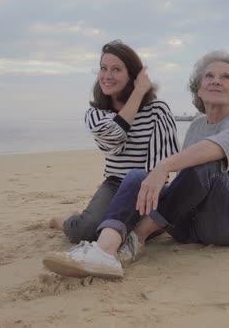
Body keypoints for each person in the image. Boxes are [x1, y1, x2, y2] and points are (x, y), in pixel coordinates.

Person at [43, 50, 229, 279]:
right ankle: (103, 252)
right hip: (188, 227)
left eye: (225, 77)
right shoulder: (197, 125)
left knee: (207, 164)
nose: (216, 80)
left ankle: (137, 238)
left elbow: (212, 151)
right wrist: (148, 178)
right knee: (137, 176)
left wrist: (163, 167)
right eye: (209, 76)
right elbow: (187, 184)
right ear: (198, 88)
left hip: (227, 225)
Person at [49, 40, 179, 244]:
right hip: (115, 184)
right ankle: (66, 219)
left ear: (132, 75)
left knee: (138, 229)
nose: (107, 76)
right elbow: (115, 135)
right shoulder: (96, 114)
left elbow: (162, 160)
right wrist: (138, 93)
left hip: (150, 184)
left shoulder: (157, 109)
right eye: (103, 68)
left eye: (116, 69)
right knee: (86, 232)